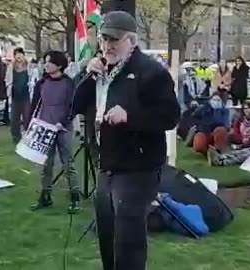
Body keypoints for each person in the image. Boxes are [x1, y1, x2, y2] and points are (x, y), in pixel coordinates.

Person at [71, 11, 180, 270]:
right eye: (103, 39)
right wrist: (87, 77)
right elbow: (74, 105)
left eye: (114, 40)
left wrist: (130, 116)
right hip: (105, 164)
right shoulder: (100, 69)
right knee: (107, 234)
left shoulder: (150, 71)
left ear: (131, 41)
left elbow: (170, 116)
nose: (107, 46)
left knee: (128, 241)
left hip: (137, 168)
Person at [30, 50, 80, 214]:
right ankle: (45, 196)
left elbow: (73, 106)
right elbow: (35, 105)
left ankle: (74, 198)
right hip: (45, 127)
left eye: (49, 61)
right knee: (46, 164)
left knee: (68, 164)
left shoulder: (69, 83)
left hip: (63, 128)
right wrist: (32, 123)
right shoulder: (41, 83)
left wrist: (63, 122)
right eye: (45, 61)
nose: (46, 64)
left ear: (59, 65)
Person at [5, 48, 32, 144]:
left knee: (27, 116)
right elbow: (7, 81)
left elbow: (34, 80)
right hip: (15, 96)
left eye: (20, 54)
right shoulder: (10, 67)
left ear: (23, 55)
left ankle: (27, 136)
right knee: (14, 119)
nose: (18, 56)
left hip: (26, 96)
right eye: (16, 54)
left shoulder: (29, 66)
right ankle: (16, 137)